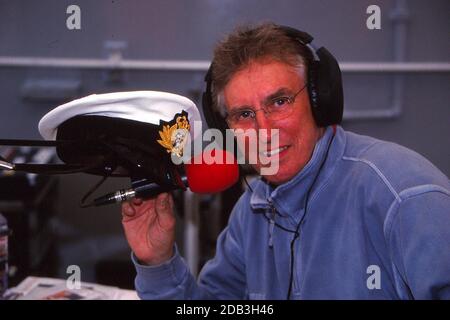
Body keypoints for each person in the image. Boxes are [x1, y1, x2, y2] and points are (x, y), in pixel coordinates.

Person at [121, 23, 450, 299]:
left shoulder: (405, 198)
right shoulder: (251, 210)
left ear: (320, 100)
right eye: (244, 114)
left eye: (279, 102)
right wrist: (158, 261)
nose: (264, 131)